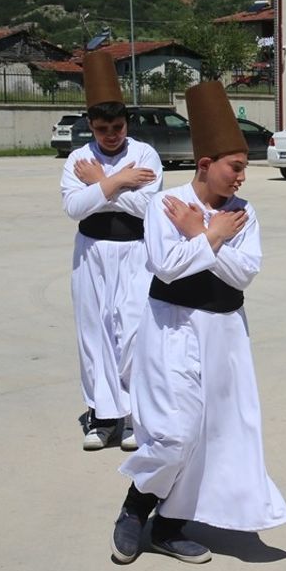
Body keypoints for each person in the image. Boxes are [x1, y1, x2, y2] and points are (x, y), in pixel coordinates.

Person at [111, 81, 286, 565]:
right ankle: (135, 508)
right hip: (171, 327)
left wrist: (201, 236)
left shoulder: (243, 214)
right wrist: (209, 236)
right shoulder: (165, 204)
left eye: (245, 167)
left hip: (224, 334)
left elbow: (244, 273)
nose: (242, 177)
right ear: (206, 164)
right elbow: (166, 266)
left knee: (218, 430)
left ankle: (170, 526)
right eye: (236, 167)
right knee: (174, 430)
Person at [61, 51, 161, 451]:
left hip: (135, 251)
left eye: (117, 127)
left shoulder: (144, 154)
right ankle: (103, 416)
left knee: (133, 331)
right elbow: (75, 208)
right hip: (91, 254)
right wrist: (120, 182)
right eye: (102, 129)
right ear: (91, 125)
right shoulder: (78, 158)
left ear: (126, 123)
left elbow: (148, 207)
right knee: (94, 332)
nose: (111, 135)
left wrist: (101, 181)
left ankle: (136, 414)